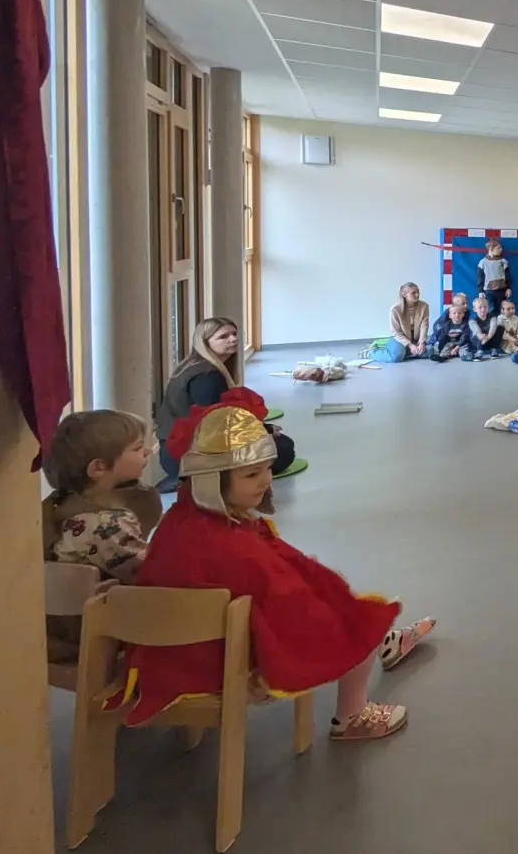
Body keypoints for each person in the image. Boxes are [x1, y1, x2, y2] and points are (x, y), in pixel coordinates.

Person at [121, 391, 435, 741]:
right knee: (350, 623)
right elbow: (288, 602)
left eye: (267, 470)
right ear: (211, 481)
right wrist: (347, 615)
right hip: (218, 664)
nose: (267, 481)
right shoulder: (233, 547)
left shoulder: (181, 522)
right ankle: (352, 714)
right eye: (253, 474)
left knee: (325, 592)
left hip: (170, 658)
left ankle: (382, 641)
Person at [42, 410, 162, 663]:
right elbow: (149, 573)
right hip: (89, 632)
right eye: (138, 448)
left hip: (59, 625)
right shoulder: (105, 525)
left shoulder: (59, 503)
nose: (147, 452)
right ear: (98, 467)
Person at [156, 317, 294, 489]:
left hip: (177, 451)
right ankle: (194, 476)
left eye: (234, 334)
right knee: (283, 448)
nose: (233, 339)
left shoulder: (198, 366)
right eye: (223, 336)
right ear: (206, 343)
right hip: (185, 456)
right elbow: (212, 424)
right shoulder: (207, 376)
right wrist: (263, 431)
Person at [375, 282, 429, 363]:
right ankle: (370, 352)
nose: (417, 295)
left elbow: (424, 326)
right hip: (400, 338)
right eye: (413, 293)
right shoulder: (395, 309)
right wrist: (410, 345)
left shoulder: (424, 306)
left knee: (430, 351)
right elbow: (396, 333)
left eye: (418, 292)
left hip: (416, 339)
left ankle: (405, 352)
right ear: (404, 294)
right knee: (396, 357)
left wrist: (422, 342)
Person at [476, 238, 510, 312]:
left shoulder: (504, 261)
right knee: (490, 310)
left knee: (502, 310)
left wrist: (508, 288)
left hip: (501, 290)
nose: (501, 249)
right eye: (498, 248)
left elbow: (507, 276)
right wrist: (480, 291)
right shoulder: (483, 262)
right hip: (489, 291)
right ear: (491, 249)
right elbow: (480, 277)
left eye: (501, 247)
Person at [467, 294, 502, 360]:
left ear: (488, 307)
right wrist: (480, 335)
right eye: (480, 307)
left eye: (485, 307)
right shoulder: (472, 320)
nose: (483, 309)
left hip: (490, 338)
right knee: (474, 332)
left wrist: (488, 337)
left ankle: (493, 349)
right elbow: (477, 330)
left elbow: (493, 328)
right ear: (474, 309)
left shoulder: (493, 317)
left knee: (500, 328)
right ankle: (480, 351)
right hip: (479, 340)